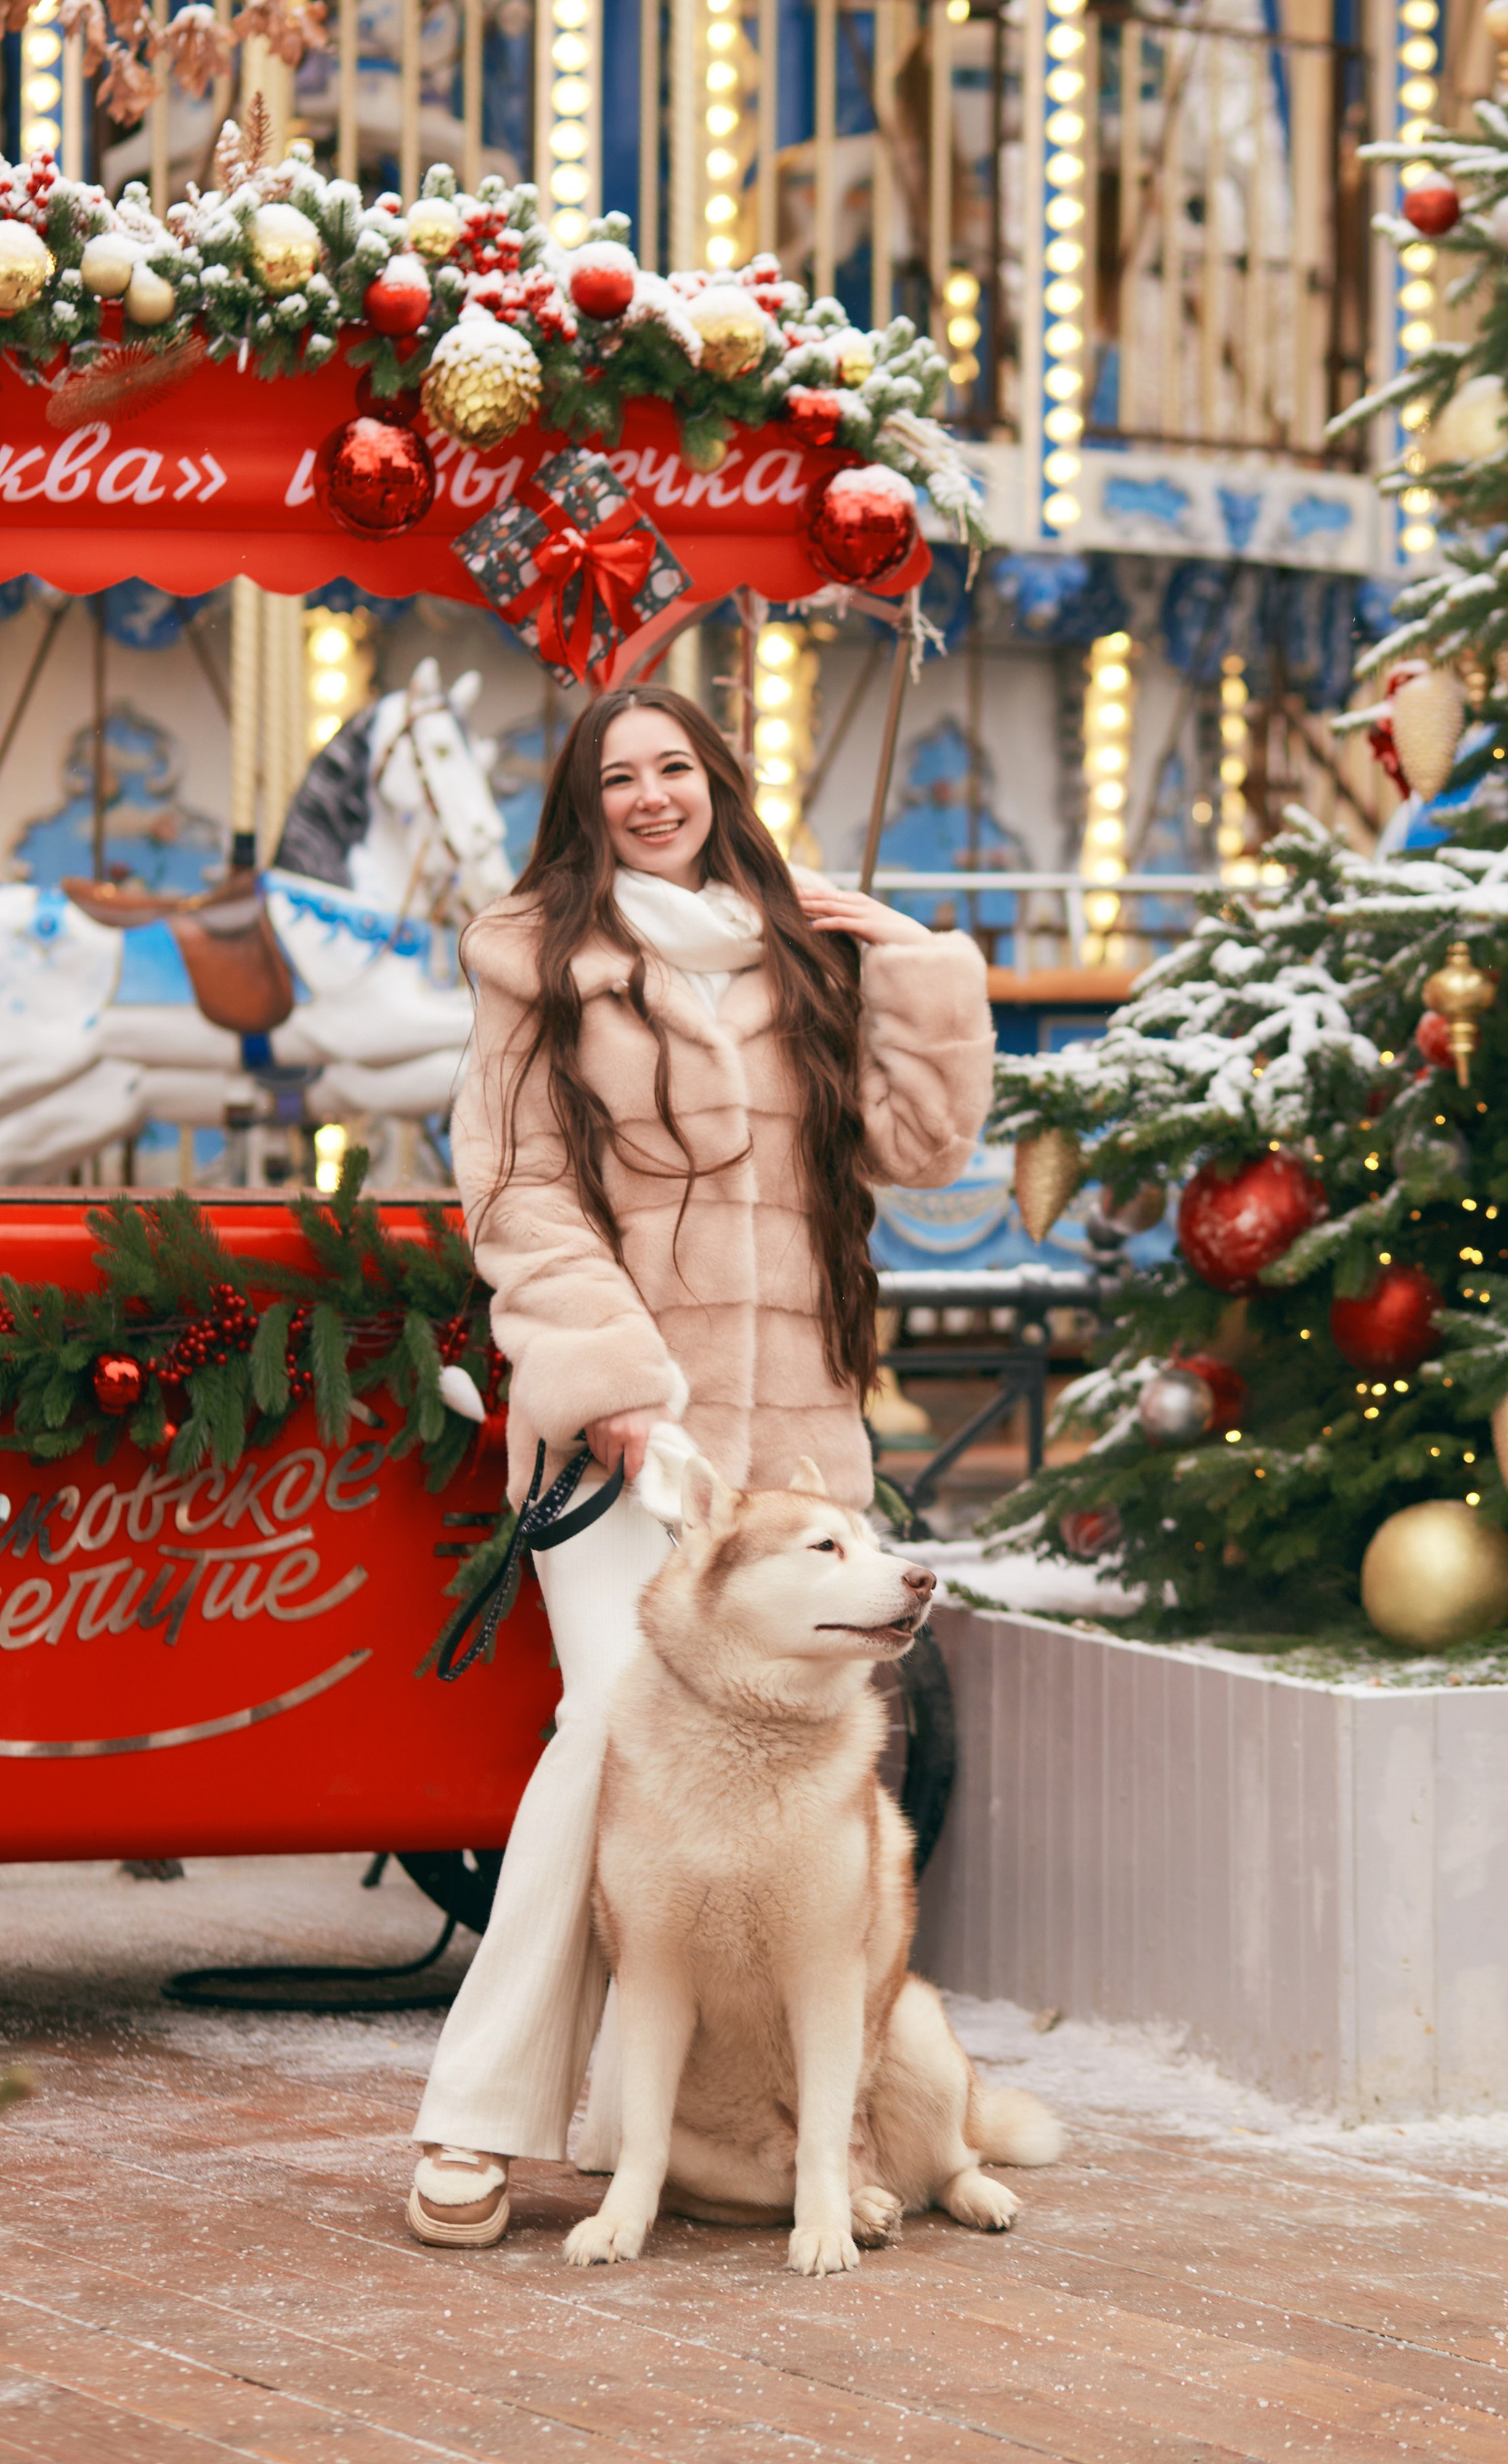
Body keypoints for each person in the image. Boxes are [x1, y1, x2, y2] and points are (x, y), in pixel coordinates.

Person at [407, 680, 995, 2248]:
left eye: (675, 767)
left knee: (803, 1783)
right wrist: (605, 1370)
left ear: (717, 780)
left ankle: (690, 2125)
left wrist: (916, 971)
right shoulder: (537, 955)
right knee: (612, 1729)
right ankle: (476, 2120)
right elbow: (517, 1189)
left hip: (792, 1447)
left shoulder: (794, 946)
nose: (653, 795)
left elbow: (922, 1156)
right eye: (620, 777)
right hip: (630, 1443)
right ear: (584, 806)